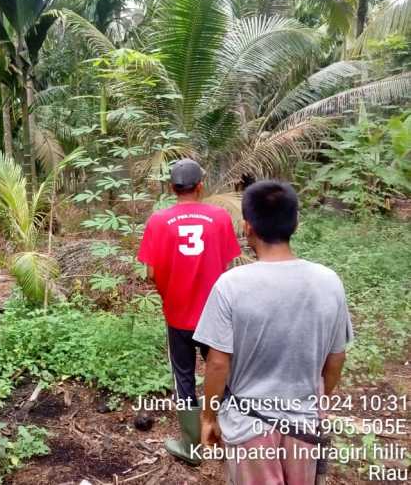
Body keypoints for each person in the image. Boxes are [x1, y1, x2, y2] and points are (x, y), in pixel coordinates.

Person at [194, 180, 354, 485]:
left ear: (246, 227)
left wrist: (209, 417)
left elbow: (217, 363)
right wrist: (312, 406)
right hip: (304, 427)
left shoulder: (230, 285)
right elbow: (335, 361)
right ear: (296, 223)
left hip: (248, 428)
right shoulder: (328, 281)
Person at [137, 159, 241, 465]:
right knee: (222, 371)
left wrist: (169, 295)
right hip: (215, 317)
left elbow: (152, 272)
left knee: (183, 377)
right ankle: (224, 437)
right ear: (200, 186)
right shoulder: (220, 217)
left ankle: (192, 447)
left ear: (172, 188)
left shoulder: (158, 220)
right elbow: (229, 267)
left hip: (178, 315)